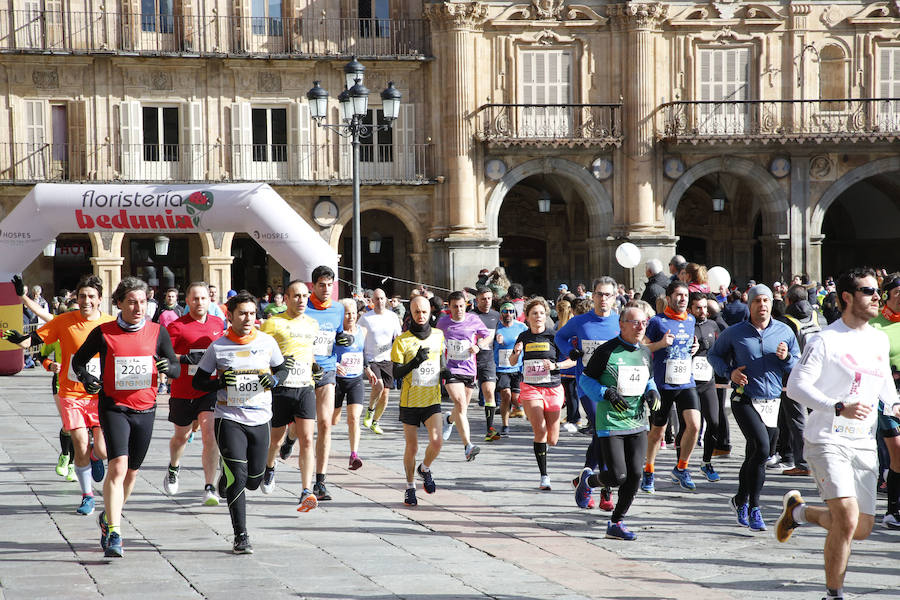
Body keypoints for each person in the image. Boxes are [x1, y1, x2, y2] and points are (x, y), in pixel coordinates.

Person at [777, 268, 900, 600]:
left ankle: (798, 513)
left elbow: (883, 382)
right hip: (827, 439)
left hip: (863, 443)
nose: (877, 296)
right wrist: (836, 405)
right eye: (868, 291)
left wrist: (895, 404)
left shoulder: (877, 338)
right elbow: (794, 387)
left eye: (878, 291)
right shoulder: (825, 340)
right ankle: (834, 594)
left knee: (860, 529)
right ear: (847, 297)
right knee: (846, 518)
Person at [72, 276, 180, 558]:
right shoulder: (104, 332)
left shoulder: (158, 332)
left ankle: (109, 517)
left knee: (132, 472)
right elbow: (79, 360)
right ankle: (116, 534)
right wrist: (87, 378)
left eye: (143, 302)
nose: (138, 307)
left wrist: (169, 366)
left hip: (145, 409)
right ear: (119, 303)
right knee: (118, 466)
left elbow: (177, 369)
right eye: (131, 302)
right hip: (114, 407)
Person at [2, 274, 113, 516]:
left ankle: (96, 457)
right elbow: (33, 339)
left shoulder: (110, 323)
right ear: (77, 297)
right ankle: (87, 496)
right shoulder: (64, 321)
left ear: (100, 299)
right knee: (80, 445)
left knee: (103, 451)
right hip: (71, 394)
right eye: (82, 296)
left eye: (91, 297)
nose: (86, 301)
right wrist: (19, 340)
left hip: (101, 396)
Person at [192, 291, 289, 553]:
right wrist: (220, 382)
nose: (248, 318)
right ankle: (241, 535)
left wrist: (275, 379)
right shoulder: (219, 346)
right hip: (229, 418)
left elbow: (281, 368)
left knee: (254, 480)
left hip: (260, 418)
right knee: (240, 477)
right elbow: (198, 381)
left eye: (252, 313)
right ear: (230, 316)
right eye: (242, 314)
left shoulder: (267, 342)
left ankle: (228, 477)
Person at [708, 284, 799, 532]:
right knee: (760, 448)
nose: (762, 305)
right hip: (744, 398)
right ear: (750, 305)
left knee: (757, 454)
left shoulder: (785, 331)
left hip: (772, 401)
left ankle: (739, 499)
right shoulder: (735, 332)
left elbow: (798, 363)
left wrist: (786, 358)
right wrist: (730, 372)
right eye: (757, 301)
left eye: (766, 301)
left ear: (771, 304)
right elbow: (713, 356)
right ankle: (754, 508)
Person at [576, 305, 660, 540]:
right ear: (621, 324)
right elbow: (585, 381)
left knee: (635, 475)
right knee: (617, 476)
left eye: (643, 322)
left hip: (637, 421)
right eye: (635, 322)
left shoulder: (644, 352)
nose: (640, 326)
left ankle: (616, 523)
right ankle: (589, 481)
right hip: (611, 422)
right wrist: (606, 393)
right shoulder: (606, 351)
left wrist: (652, 392)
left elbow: (649, 380)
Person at [555, 277, 622, 509]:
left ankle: (585, 477)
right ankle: (605, 490)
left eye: (608, 295)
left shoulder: (619, 322)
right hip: (588, 386)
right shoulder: (581, 321)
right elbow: (559, 337)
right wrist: (570, 351)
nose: (603, 299)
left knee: (603, 434)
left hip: (614, 388)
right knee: (603, 432)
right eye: (599, 294)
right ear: (592, 296)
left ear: (615, 297)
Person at [259, 280, 321, 511]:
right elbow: (262, 354)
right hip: (281, 389)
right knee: (275, 439)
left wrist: (316, 367)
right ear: (286, 298)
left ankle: (306, 490)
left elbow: (310, 352)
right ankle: (270, 466)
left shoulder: (312, 324)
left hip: (305, 387)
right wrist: (273, 372)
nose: (302, 300)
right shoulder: (273, 324)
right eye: (296, 296)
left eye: (305, 296)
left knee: (307, 439)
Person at [163, 282, 225, 506]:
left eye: (204, 298)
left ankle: (209, 486)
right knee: (181, 436)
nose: (200, 302)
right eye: (195, 299)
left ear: (210, 300)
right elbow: (165, 356)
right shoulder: (177, 326)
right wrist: (185, 359)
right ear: (187, 301)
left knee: (210, 436)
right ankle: (173, 467)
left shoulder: (218, 324)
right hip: (183, 390)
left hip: (208, 390)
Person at [508, 296, 576, 489]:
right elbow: (513, 362)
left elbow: (572, 360)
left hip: (553, 388)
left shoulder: (555, 336)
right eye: (534, 314)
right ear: (527, 317)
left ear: (546, 315)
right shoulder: (523, 337)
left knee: (552, 439)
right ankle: (544, 476)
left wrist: (555, 365)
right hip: (530, 388)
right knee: (540, 430)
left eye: (541, 313)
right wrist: (516, 353)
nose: (538, 317)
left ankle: (543, 447)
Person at [641, 281, 701, 493]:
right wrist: (660, 344)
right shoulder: (658, 322)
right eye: (678, 295)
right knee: (658, 431)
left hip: (686, 381)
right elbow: (642, 347)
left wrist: (696, 346)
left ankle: (681, 468)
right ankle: (648, 471)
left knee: (694, 425)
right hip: (663, 385)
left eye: (685, 295)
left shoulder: (692, 319)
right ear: (668, 298)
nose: (683, 299)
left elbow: (688, 343)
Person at [392, 295, 447, 506]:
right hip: (410, 401)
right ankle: (409, 486)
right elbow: (396, 373)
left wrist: (447, 373)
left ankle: (424, 468)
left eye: (424, 311)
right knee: (412, 447)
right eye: (417, 312)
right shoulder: (402, 340)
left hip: (431, 399)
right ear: (411, 313)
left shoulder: (438, 335)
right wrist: (415, 361)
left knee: (437, 441)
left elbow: (441, 362)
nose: (421, 315)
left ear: (430, 312)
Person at [305, 265, 354, 501]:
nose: (326, 289)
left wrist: (343, 340)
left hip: (326, 370)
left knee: (325, 423)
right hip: (302, 372)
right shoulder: (303, 308)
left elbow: (337, 338)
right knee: (298, 427)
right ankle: (290, 439)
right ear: (313, 286)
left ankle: (321, 482)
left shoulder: (337, 308)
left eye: (330, 285)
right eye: (321, 285)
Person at [437, 291, 492, 461]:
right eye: (455, 306)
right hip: (451, 369)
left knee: (462, 409)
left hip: (469, 369)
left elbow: (487, 336)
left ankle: (448, 419)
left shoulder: (473, 319)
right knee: (460, 403)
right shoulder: (443, 322)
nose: (459, 310)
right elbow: (435, 340)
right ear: (449, 306)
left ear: (466, 305)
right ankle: (468, 445)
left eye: (461, 306)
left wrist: (479, 345)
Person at [776, 283, 823, 476]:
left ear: (788, 300)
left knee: (796, 419)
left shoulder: (786, 321)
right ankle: (806, 458)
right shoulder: (814, 316)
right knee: (815, 417)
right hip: (817, 372)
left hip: (793, 374)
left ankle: (803, 463)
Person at [867, 272, 900, 528]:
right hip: (886, 393)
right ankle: (892, 510)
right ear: (888, 295)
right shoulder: (874, 325)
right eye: (898, 293)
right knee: (896, 451)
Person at [688, 292, 724, 482]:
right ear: (690, 309)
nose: (703, 311)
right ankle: (681, 466)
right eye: (698, 308)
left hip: (708, 381)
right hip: (689, 383)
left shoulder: (713, 325)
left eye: (704, 307)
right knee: (689, 426)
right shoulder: (686, 326)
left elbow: (718, 349)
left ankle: (706, 462)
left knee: (714, 422)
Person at [360, 288, 402, 435]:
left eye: (382, 299)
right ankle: (370, 410)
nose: (380, 302)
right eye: (377, 299)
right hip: (372, 359)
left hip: (387, 359)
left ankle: (376, 422)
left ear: (387, 300)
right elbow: (359, 337)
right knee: (378, 385)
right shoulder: (366, 318)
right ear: (372, 301)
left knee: (385, 395)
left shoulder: (392, 317)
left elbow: (398, 337)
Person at [333, 298, 368, 470]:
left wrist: (368, 368)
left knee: (354, 418)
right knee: (333, 420)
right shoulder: (335, 333)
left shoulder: (363, 331)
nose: (351, 316)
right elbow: (325, 353)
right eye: (347, 313)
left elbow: (363, 352)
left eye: (353, 313)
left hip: (356, 380)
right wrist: (335, 365)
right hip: (337, 381)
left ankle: (354, 454)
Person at [472, 287, 502, 441]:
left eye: (489, 298)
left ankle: (490, 429)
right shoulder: (470, 316)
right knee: (462, 399)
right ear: (477, 300)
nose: (486, 301)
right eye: (483, 299)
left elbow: (502, 332)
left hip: (488, 359)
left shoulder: (496, 316)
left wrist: (500, 337)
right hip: (469, 359)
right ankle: (451, 421)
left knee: (490, 392)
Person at [494, 301, 527, 437]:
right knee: (506, 395)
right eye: (505, 311)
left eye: (511, 311)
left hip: (517, 367)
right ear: (501, 313)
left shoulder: (521, 327)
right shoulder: (496, 327)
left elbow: (529, 339)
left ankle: (520, 408)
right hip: (501, 368)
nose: (508, 314)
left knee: (516, 397)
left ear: (514, 313)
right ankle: (505, 424)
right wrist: (496, 340)